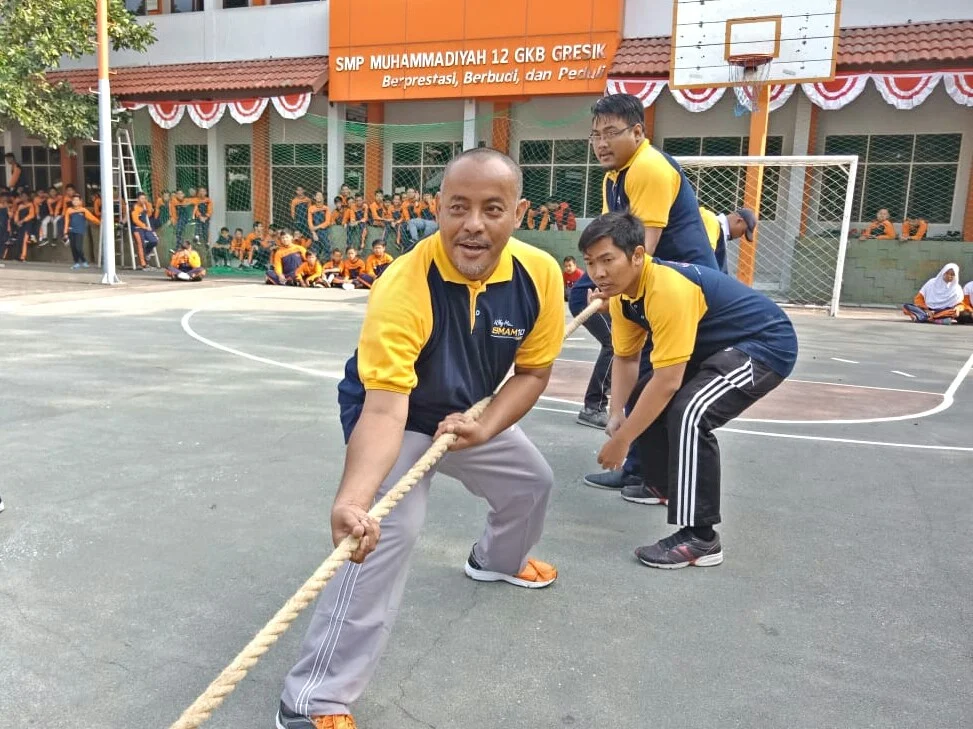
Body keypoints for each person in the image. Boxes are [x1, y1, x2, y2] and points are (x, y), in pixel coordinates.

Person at [276, 147, 563, 729]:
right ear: (437, 209)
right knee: (379, 534)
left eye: (492, 209)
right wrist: (354, 500)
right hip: (396, 414)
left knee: (532, 482)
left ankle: (497, 560)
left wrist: (485, 425)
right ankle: (312, 700)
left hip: (467, 413)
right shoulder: (405, 284)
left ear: (518, 214)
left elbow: (532, 373)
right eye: (458, 207)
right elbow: (385, 408)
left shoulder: (540, 275)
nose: (473, 224)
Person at [582, 212, 797, 568]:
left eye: (607, 260)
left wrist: (623, 440)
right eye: (591, 262)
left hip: (764, 344)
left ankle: (701, 538)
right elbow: (627, 358)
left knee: (691, 412)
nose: (598, 273)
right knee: (643, 396)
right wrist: (617, 412)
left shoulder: (667, 289)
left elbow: (668, 382)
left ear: (637, 255)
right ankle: (660, 484)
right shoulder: (623, 297)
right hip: (716, 348)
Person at [582, 92, 719, 492]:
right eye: (596, 135)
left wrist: (611, 293)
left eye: (611, 132)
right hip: (651, 289)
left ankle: (653, 478)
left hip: (682, 292)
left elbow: (643, 249)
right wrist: (603, 287)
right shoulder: (615, 176)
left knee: (662, 385)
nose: (601, 143)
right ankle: (640, 469)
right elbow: (613, 242)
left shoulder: (649, 168)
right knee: (639, 371)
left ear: (638, 132)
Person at [699, 206, 756, 274]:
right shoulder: (711, 221)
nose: (740, 236)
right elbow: (704, 258)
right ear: (739, 221)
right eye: (742, 232)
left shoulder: (720, 232)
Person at [64, 194, 99, 269]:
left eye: (77, 200)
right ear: (72, 201)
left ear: (80, 201)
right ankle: (76, 263)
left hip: (79, 231)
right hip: (71, 231)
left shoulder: (83, 210)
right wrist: (65, 232)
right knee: (73, 248)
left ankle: (84, 261)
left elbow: (92, 218)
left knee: (78, 248)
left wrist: (100, 222)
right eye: (74, 200)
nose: (75, 201)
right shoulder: (69, 210)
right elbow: (66, 221)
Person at [131, 191, 159, 269]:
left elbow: (149, 214)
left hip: (145, 228)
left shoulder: (145, 206)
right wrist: (144, 226)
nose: (143, 200)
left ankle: (146, 253)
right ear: (137, 199)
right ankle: (143, 264)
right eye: (142, 198)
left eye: (144, 198)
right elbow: (135, 220)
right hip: (137, 229)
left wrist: (148, 206)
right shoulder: (135, 207)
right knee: (141, 244)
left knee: (154, 240)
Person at [308, 192, 331, 257]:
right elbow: (309, 221)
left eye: (321, 195)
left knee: (327, 247)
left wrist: (316, 227)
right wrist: (313, 233)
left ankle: (326, 261)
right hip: (314, 231)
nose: (319, 197)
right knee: (315, 248)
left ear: (323, 198)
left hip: (324, 231)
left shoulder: (326, 208)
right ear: (314, 197)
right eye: (317, 195)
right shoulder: (311, 208)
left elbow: (327, 222)